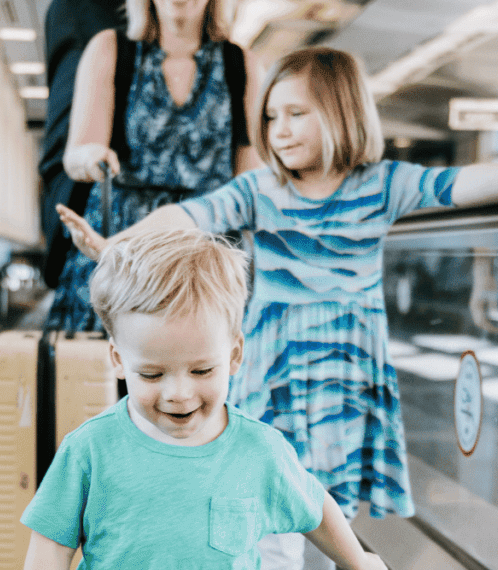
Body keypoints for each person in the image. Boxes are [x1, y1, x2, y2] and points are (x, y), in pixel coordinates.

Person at [57, 47, 498, 568]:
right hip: (276, 368)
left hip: (343, 373)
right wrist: (114, 245)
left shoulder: (382, 184)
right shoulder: (262, 188)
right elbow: (188, 216)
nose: (279, 130)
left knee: (328, 510)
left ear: (340, 113)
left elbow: (454, 186)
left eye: (296, 114)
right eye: (270, 117)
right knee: (270, 502)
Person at [22, 228, 389, 570]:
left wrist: (358, 562)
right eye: (152, 374)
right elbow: (51, 544)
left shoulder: (259, 450)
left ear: (233, 355)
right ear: (118, 360)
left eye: (202, 371)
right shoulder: (90, 450)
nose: (179, 394)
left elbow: (316, 508)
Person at [49, 0, 261, 332]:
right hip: (122, 258)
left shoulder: (241, 65)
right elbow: (76, 154)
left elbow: (249, 179)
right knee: (104, 387)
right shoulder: (111, 51)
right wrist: (91, 157)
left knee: (199, 389)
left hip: (205, 268)